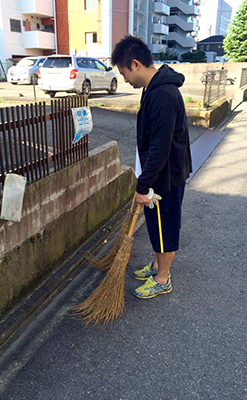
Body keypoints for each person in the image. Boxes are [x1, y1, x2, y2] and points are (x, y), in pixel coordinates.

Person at [111, 35, 192, 299]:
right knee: (156, 226)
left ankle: (162, 279)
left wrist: (143, 184)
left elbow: (160, 146)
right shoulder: (153, 88)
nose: (124, 79)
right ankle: (157, 264)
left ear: (135, 64)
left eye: (123, 73)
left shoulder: (163, 94)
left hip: (165, 177)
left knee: (165, 227)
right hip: (160, 173)